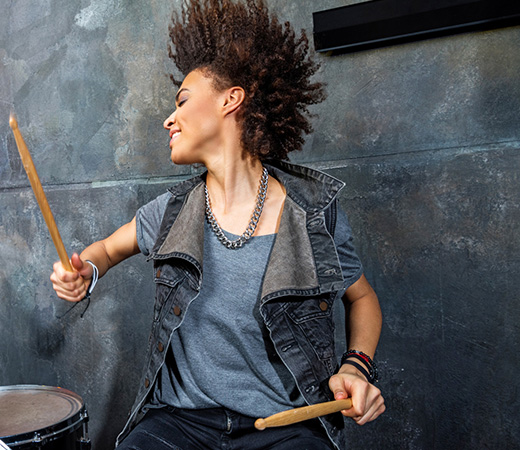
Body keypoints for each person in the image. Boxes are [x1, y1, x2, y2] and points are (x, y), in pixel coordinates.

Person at [50, 0, 385, 448]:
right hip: (180, 423)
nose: (169, 118)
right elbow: (107, 251)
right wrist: (85, 272)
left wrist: (356, 367)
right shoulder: (171, 212)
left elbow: (362, 299)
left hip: (284, 428)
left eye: (183, 101)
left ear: (231, 99)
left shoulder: (311, 214)